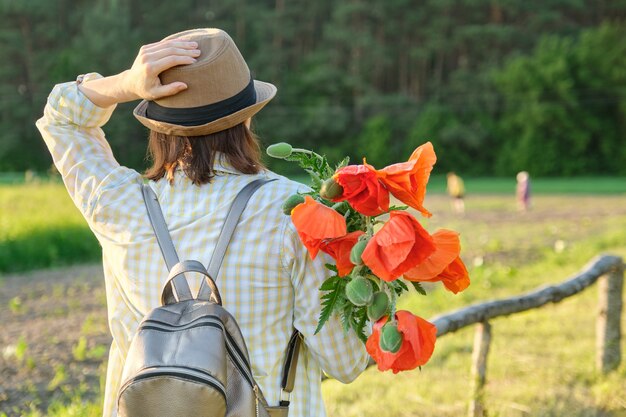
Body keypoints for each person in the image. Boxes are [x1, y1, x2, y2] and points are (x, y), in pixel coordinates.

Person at [36, 28, 368, 417]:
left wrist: (126, 83)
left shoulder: (116, 202)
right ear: (246, 119)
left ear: (158, 126)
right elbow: (345, 363)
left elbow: (62, 118)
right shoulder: (294, 212)